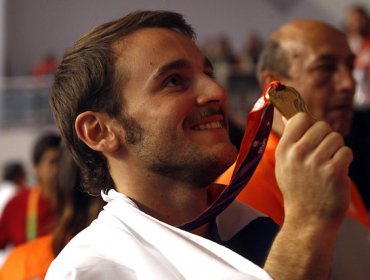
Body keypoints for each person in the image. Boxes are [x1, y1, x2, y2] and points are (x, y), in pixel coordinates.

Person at [46, 11, 353, 279]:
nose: (217, 91)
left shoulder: (257, 227)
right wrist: (306, 227)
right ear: (99, 131)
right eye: (174, 81)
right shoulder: (93, 269)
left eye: (208, 73)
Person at [222, 19, 370, 279]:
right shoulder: (246, 186)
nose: (348, 83)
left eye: (349, 65)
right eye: (325, 68)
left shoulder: (327, 166)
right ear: (274, 85)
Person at [0, 146, 105, 279]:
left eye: (59, 163)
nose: (54, 170)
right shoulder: (127, 251)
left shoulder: (20, 263)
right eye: (52, 162)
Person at [0, 132, 61, 249]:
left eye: (63, 162)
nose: (59, 168)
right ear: (36, 168)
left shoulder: (85, 203)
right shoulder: (17, 204)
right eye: (53, 162)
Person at [344, 5, 370, 210]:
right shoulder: (342, 45)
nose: (357, 23)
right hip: (348, 110)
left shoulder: (368, 45)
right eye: (353, 18)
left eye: (360, 18)